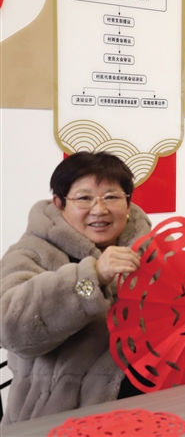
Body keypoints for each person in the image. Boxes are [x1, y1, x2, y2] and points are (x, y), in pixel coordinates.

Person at [0, 152, 152, 424]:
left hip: (150, 407)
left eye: (111, 197)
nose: (99, 209)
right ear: (60, 203)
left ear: (128, 203)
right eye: (84, 198)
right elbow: (11, 330)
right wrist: (93, 276)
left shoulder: (151, 250)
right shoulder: (30, 252)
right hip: (58, 415)